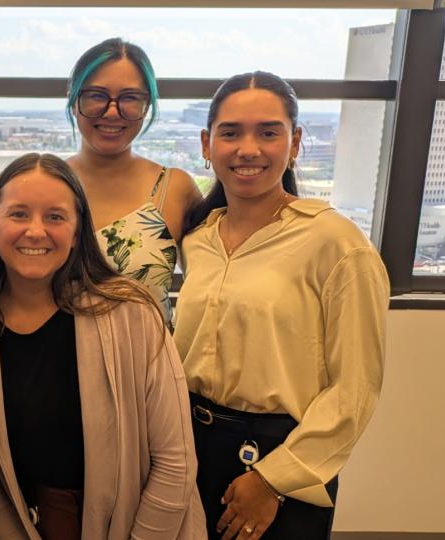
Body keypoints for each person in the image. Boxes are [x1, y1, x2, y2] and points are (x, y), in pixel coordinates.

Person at [176, 71, 389, 540]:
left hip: (278, 456)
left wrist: (273, 479)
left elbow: (354, 389)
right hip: (189, 445)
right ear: (207, 144)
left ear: (294, 143)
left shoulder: (335, 243)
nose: (248, 149)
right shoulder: (199, 239)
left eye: (268, 133)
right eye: (230, 133)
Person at [0, 153, 204, 539]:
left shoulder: (132, 314)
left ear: (77, 233)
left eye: (55, 217)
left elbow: (176, 462)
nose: (35, 231)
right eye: (18, 214)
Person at [64, 38, 202, 325]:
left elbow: (212, 284)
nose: (112, 112)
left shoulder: (174, 188)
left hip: (150, 353)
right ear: (74, 100)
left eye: (130, 98)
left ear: (147, 105)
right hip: (54, 353)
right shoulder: (44, 183)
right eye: (96, 95)